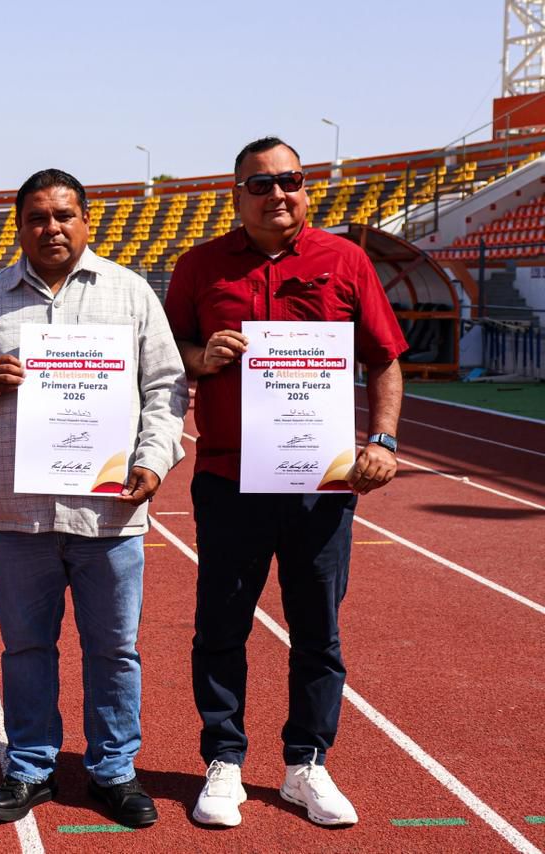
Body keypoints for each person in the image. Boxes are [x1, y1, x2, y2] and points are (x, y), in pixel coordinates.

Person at [0, 169, 187, 828]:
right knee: (25, 649)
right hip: (18, 512)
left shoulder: (131, 294)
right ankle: (29, 766)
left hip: (110, 511)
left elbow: (166, 388)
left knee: (114, 650)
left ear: (86, 221)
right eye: (38, 218)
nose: (51, 228)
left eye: (64, 215)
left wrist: (153, 459)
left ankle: (113, 770)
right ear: (20, 227)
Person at [164, 136, 406, 828]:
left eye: (290, 180)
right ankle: (224, 760)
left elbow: (384, 358)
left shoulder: (346, 260)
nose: (277, 193)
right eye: (261, 183)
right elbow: (169, 350)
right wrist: (202, 356)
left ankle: (307, 764)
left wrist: (383, 440)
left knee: (318, 630)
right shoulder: (200, 265)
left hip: (318, 486)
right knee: (221, 625)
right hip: (229, 478)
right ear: (237, 194)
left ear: (306, 188)